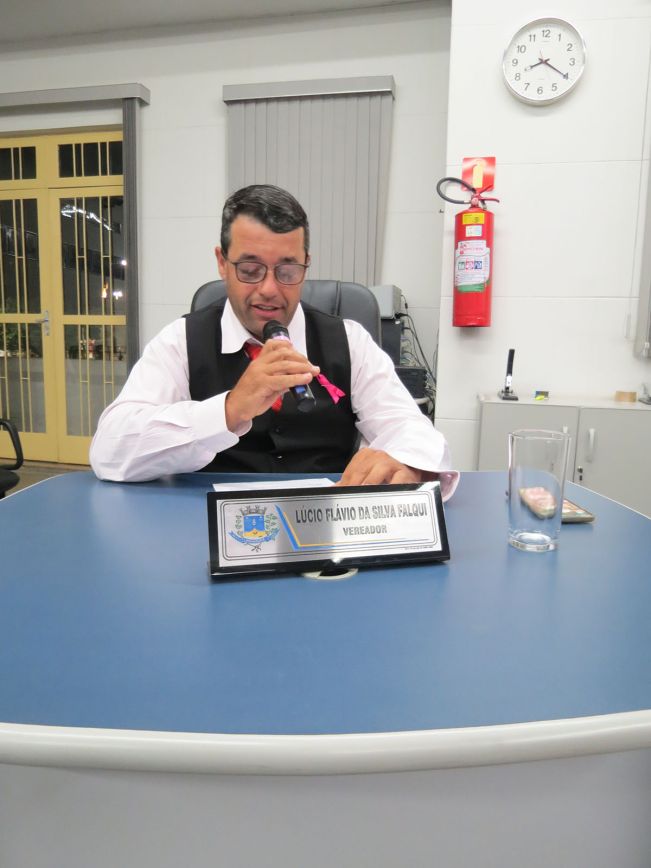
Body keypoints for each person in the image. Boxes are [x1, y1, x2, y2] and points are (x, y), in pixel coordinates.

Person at [90, 184, 458, 498]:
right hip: (208, 527)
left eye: (287, 270)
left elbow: (409, 427)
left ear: (306, 265)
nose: (269, 289)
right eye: (250, 270)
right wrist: (230, 409)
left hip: (326, 525)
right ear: (222, 263)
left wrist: (404, 461)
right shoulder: (180, 341)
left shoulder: (350, 341)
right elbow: (109, 449)